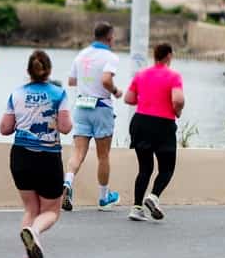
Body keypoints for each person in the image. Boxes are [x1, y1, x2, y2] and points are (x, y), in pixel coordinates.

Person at [0, 50, 72, 258]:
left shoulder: (17, 94)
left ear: (28, 71)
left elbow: (5, 129)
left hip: (20, 156)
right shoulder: (59, 93)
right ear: (49, 70)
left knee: (31, 209)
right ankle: (35, 232)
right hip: (48, 157)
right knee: (52, 211)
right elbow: (66, 128)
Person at [64, 21, 124, 212]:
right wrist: (115, 91)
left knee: (78, 153)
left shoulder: (81, 54)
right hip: (101, 107)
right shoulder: (110, 57)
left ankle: (68, 182)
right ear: (109, 37)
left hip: (81, 106)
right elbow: (106, 80)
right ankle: (104, 198)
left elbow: (71, 81)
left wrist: (87, 82)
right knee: (103, 155)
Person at [123, 42, 185, 222]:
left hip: (140, 122)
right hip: (162, 125)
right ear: (169, 56)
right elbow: (178, 100)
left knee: (145, 169)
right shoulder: (173, 76)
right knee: (167, 168)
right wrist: (177, 111)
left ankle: (136, 208)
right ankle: (153, 196)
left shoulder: (141, 74)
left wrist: (147, 99)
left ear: (155, 55)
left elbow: (129, 98)